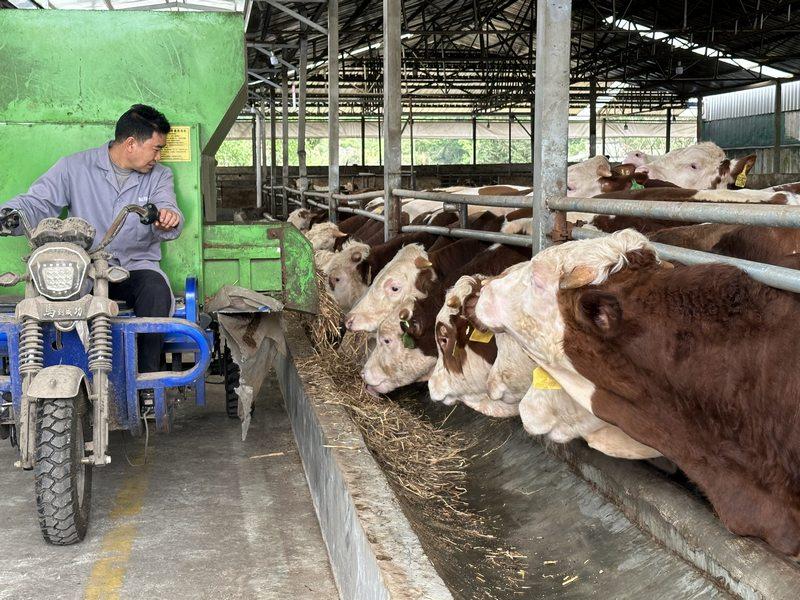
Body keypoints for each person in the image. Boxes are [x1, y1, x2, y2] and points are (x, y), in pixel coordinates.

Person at [1, 104, 182, 401]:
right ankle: (56, 378)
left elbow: (168, 207)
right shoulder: (74, 167)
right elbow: (37, 202)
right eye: (156, 148)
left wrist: (167, 217)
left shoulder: (159, 176)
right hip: (85, 270)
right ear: (131, 143)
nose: (158, 156)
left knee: (156, 291)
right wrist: (12, 213)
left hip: (134, 266)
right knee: (51, 302)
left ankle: (145, 383)